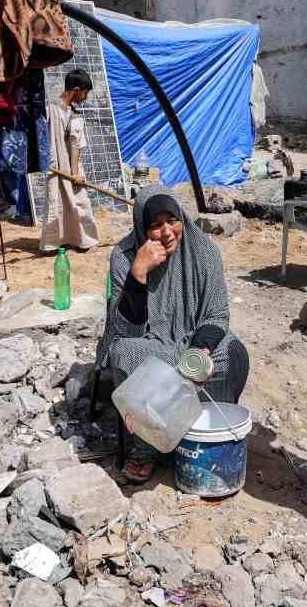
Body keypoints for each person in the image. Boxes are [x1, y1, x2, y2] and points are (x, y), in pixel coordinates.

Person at [97, 186, 250, 483]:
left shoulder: (203, 250)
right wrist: (138, 275)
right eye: (155, 225)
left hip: (191, 345)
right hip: (150, 346)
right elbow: (124, 331)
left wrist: (199, 352)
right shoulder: (124, 256)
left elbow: (217, 314)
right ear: (142, 227)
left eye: (173, 220)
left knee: (233, 353)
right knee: (127, 354)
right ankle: (147, 447)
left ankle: (199, 432)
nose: (167, 232)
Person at [40, 68, 99, 253]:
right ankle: (53, 244)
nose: (85, 97)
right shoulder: (53, 110)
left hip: (66, 168)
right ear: (75, 89)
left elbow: (75, 147)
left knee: (77, 202)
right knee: (59, 204)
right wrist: (74, 173)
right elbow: (73, 145)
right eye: (85, 92)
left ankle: (82, 241)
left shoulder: (67, 113)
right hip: (56, 167)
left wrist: (74, 173)